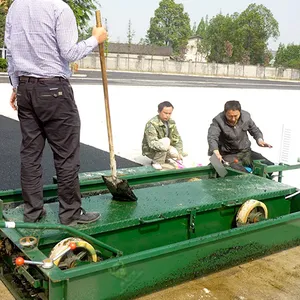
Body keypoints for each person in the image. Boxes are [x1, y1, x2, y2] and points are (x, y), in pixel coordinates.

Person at [4, 0, 107, 225]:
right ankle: (70, 214)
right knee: (66, 155)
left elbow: (9, 51)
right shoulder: (59, 8)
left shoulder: (16, 6)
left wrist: (15, 85)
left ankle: (32, 212)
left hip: (25, 88)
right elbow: (69, 52)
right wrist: (95, 39)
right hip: (53, 91)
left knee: (30, 154)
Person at [207, 100, 273, 172]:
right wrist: (216, 152)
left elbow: (255, 130)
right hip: (228, 155)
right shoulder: (218, 120)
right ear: (225, 113)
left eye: (236, 116)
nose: (233, 119)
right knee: (240, 174)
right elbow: (212, 137)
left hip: (246, 152)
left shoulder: (246, 117)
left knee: (269, 167)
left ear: (240, 112)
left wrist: (260, 140)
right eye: (230, 116)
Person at [142, 101, 184, 170]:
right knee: (166, 141)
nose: (167, 115)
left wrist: (179, 153)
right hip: (151, 150)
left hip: (164, 146)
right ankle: (156, 161)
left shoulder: (171, 122)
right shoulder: (152, 124)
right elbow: (152, 143)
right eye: (165, 113)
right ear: (159, 111)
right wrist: (168, 147)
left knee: (178, 152)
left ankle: (165, 158)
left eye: (170, 113)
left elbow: (177, 138)